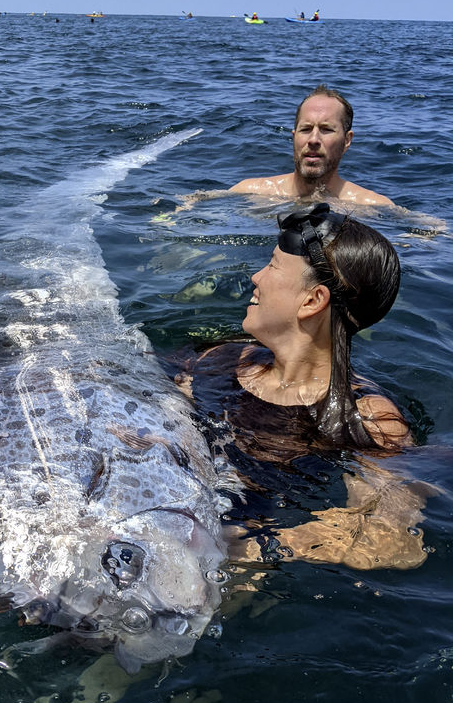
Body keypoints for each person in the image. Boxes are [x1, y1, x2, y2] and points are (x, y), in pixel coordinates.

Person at [173, 203, 430, 570]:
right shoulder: (222, 358)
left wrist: (243, 546)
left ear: (312, 301)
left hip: (238, 555)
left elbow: (391, 541)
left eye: (273, 266)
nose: (256, 278)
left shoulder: (366, 418)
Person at [229, 85, 393, 206]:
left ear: (347, 141)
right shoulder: (249, 193)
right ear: (294, 137)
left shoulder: (371, 206)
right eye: (306, 129)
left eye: (326, 129)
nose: (313, 139)